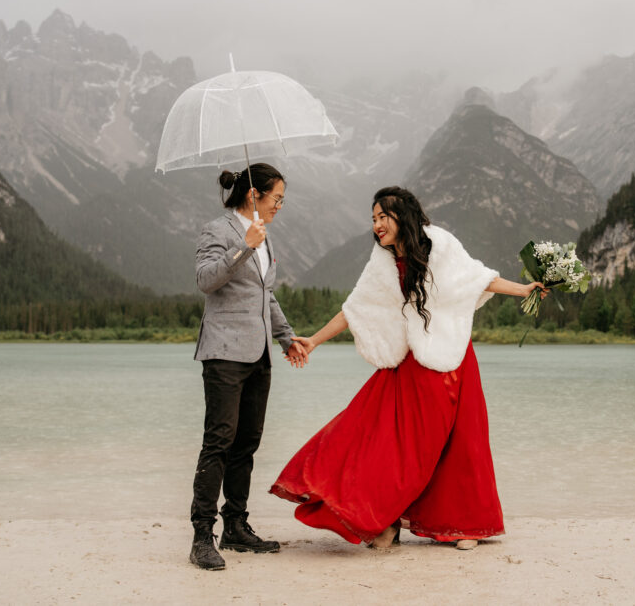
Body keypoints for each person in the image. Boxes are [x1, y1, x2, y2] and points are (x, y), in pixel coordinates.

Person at [270, 186, 546, 550]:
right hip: (410, 363)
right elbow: (356, 309)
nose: (377, 225)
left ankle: (463, 525)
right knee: (375, 435)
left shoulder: (440, 243)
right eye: (373, 219)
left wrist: (524, 290)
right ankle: (385, 521)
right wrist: (314, 340)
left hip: (452, 356)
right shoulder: (381, 260)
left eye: (383, 217)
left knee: (460, 441)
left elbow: (478, 279)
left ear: (403, 215)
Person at [189, 162, 309, 571]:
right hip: (223, 353)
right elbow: (205, 280)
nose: (280, 206)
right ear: (253, 194)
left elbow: (266, 295)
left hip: (259, 355)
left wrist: (287, 337)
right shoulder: (218, 230)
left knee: (247, 444)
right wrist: (245, 246)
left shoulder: (266, 237)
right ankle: (202, 536)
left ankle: (235, 526)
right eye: (276, 198)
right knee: (218, 442)